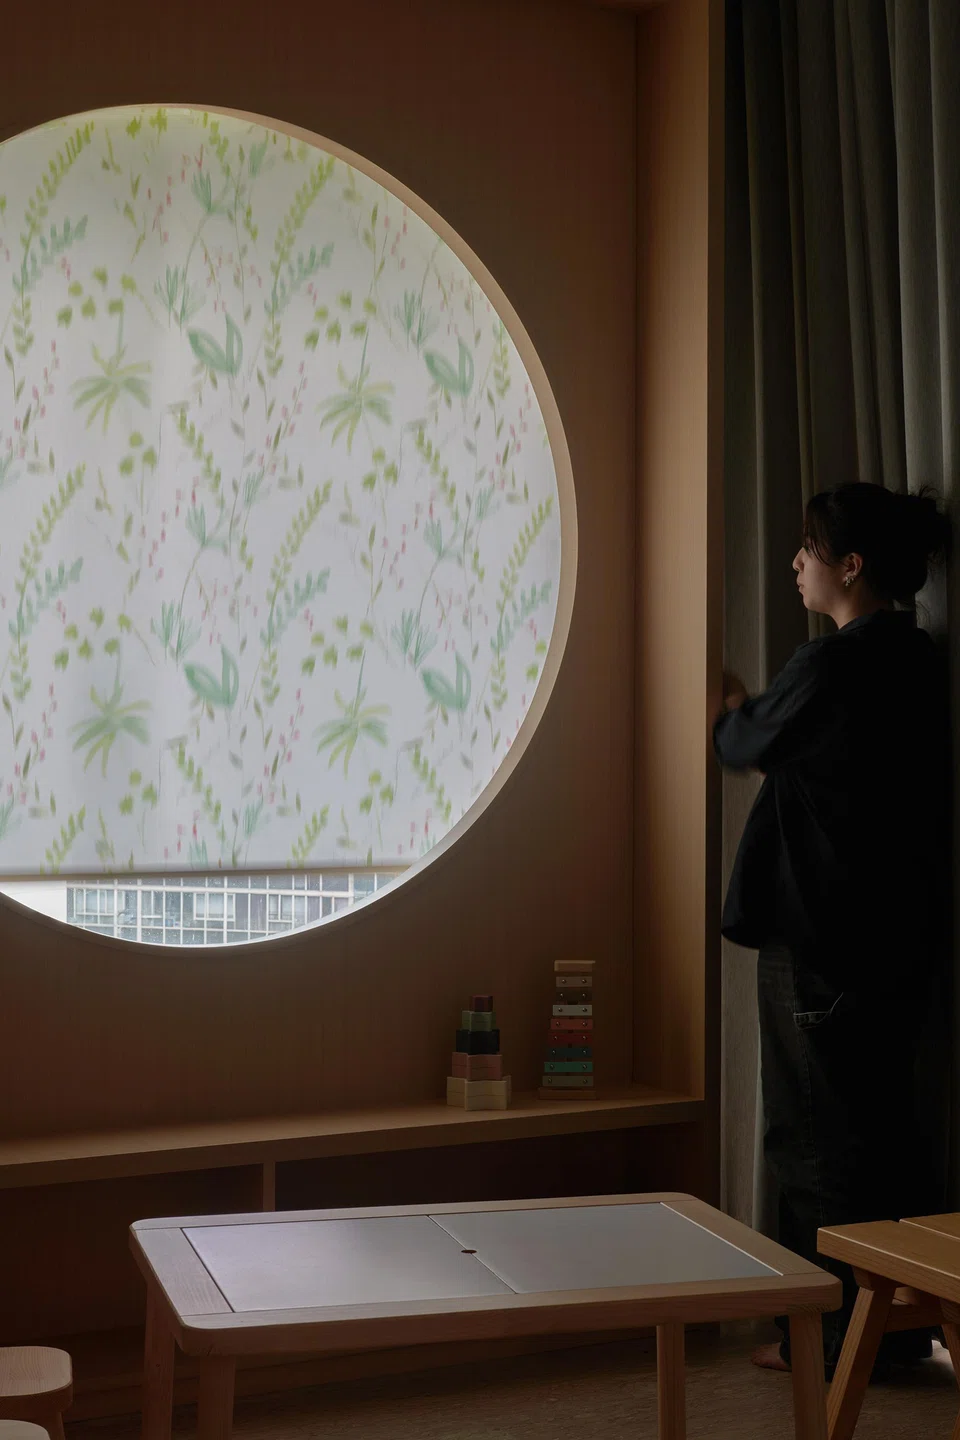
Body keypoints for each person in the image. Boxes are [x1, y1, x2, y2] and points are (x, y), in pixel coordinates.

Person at [714, 482, 952, 1378]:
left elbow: (743, 746)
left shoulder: (834, 665)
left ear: (850, 566)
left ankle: (828, 1346)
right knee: (885, 1137)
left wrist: (727, 709)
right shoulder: (919, 660)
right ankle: (894, 1338)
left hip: (820, 947)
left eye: (809, 549)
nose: (795, 563)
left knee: (812, 1145)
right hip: (896, 947)